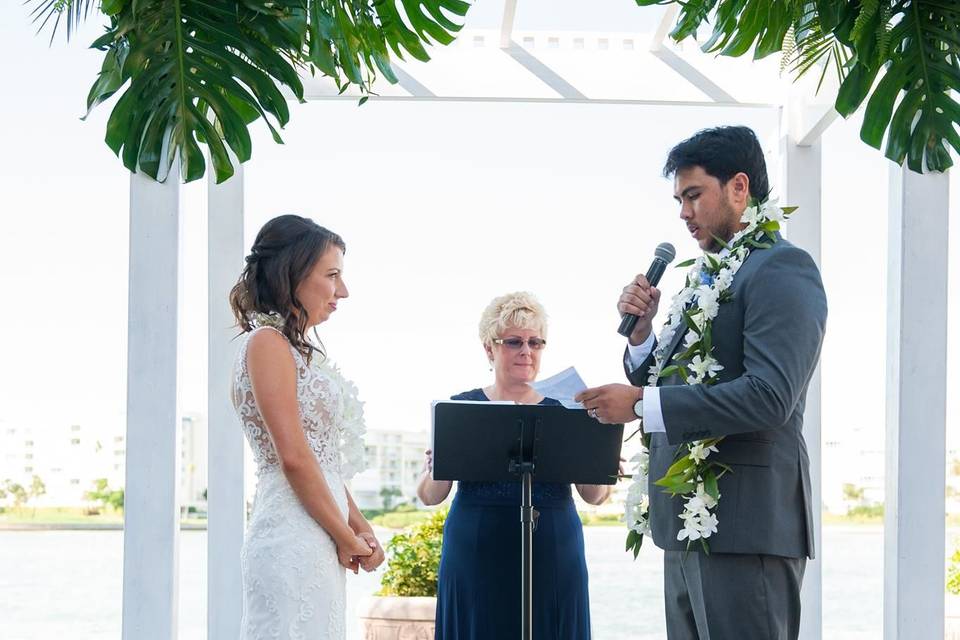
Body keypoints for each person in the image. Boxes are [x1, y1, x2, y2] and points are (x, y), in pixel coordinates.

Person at [576, 126, 827, 639]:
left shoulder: (782, 269)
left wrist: (642, 403)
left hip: (746, 525)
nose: (684, 214)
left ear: (739, 187)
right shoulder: (705, 280)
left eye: (693, 195)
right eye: (679, 199)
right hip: (685, 525)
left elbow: (770, 396)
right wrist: (643, 335)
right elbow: (668, 381)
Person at [418, 292, 609, 640]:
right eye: (514, 341)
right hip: (476, 543)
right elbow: (430, 496)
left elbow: (596, 497)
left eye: (536, 342)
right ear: (489, 349)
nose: (527, 351)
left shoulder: (570, 408)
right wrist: (437, 462)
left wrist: (596, 456)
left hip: (553, 542)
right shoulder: (460, 407)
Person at [229, 214, 384, 640]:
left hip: (317, 531)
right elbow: (294, 457)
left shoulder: (294, 350)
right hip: (292, 535)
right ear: (292, 273)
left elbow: (321, 460)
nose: (343, 291)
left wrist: (358, 524)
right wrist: (344, 534)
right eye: (332, 275)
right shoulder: (266, 344)